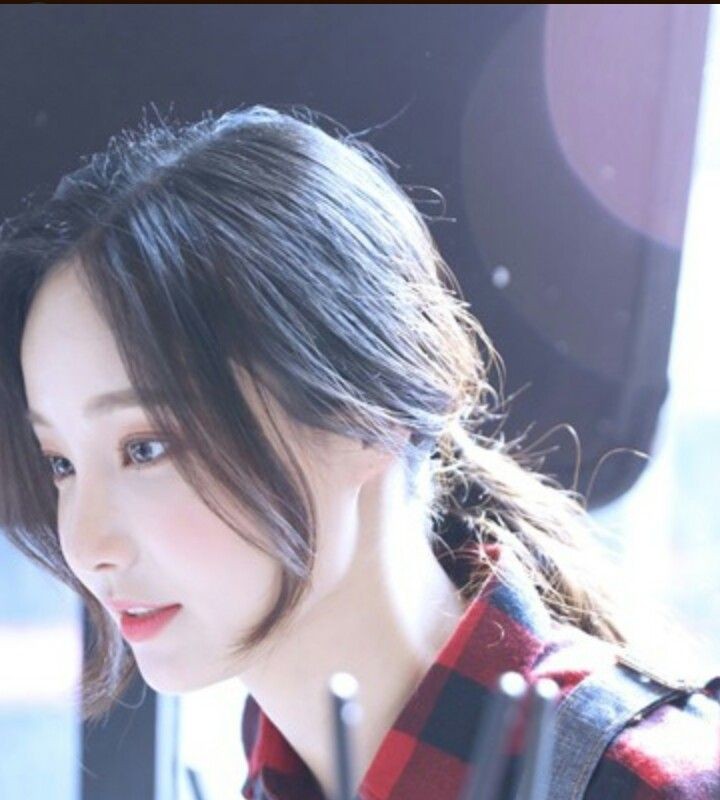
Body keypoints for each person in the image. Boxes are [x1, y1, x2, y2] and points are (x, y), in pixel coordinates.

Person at [0, 105, 718, 800]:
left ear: (362, 419)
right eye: (61, 463)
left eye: (145, 447)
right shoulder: (284, 773)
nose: (86, 546)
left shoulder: (650, 786)